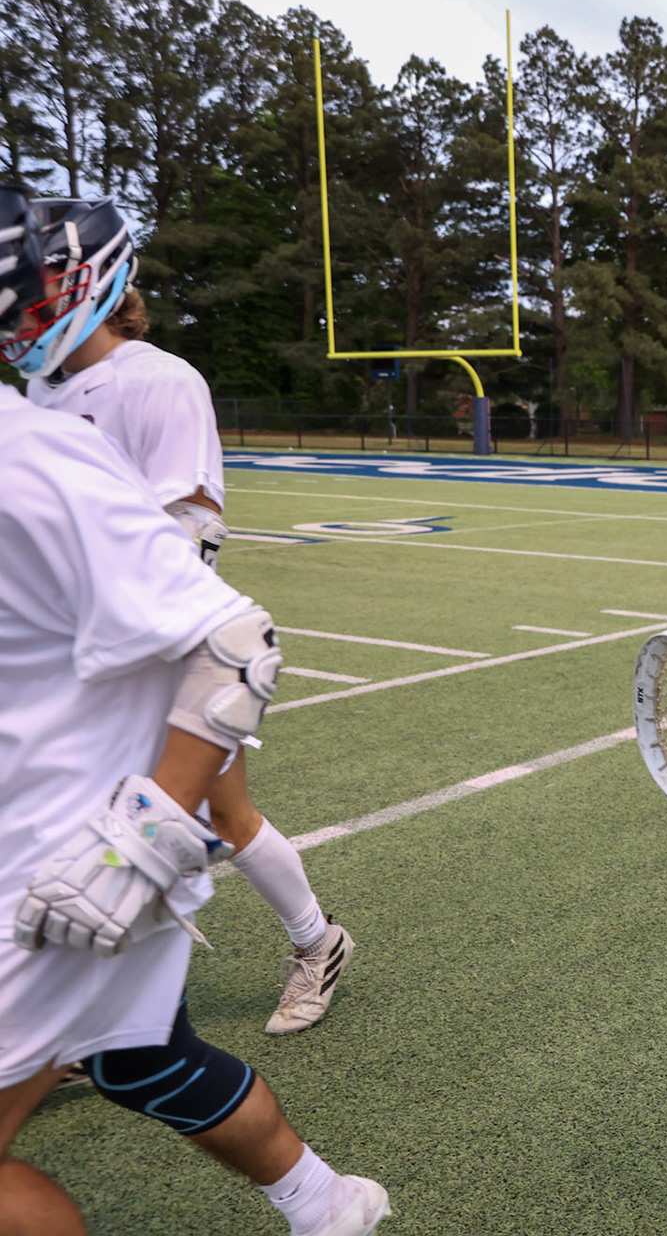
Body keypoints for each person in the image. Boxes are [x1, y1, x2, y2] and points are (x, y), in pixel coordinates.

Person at [0, 186, 390, 1236]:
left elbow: (188, 542)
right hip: (77, 671)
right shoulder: (34, 406)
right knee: (140, 1049)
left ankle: (316, 939)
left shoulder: (155, 381)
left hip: (147, 657)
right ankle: (317, 1196)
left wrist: (147, 703)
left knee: (215, 814)